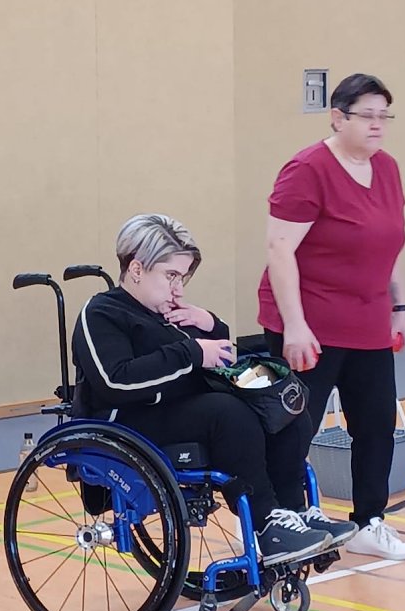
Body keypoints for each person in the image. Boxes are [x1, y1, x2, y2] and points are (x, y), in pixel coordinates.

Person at [72, 213, 356, 567]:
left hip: (183, 411)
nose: (178, 288)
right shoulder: (102, 312)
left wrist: (211, 325)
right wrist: (192, 351)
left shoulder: (169, 314)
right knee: (228, 414)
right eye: (171, 276)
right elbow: (115, 380)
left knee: (283, 408)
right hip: (130, 421)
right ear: (137, 269)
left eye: (183, 278)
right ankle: (267, 523)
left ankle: (295, 513)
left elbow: (218, 360)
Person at [258, 72, 405, 561]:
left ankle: (369, 521)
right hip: (310, 322)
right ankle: (280, 520)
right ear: (337, 117)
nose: (377, 125)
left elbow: (387, 245)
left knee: (375, 424)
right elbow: (279, 249)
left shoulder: (387, 168)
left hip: (367, 321)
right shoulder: (307, 170)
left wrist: (399, 307)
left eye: (383, 116)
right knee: (295, 427)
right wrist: (295, 324)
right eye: (366, 115)